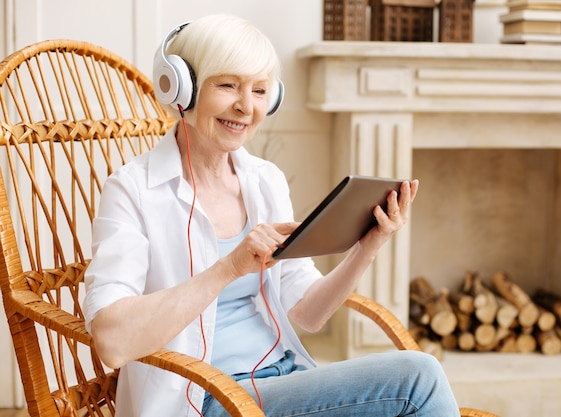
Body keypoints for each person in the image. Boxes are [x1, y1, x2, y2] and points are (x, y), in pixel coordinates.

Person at [83, 13, 460, 417]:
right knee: (418, 379)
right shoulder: (133, 190)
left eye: (260, 91)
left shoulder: (264, 180)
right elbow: (111, 339)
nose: (246, 107)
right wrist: (228, 268)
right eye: (227, 85)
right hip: (204, 400)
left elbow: (308, 313)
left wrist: (367, 245)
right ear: (181, 87)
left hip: (285, 378)